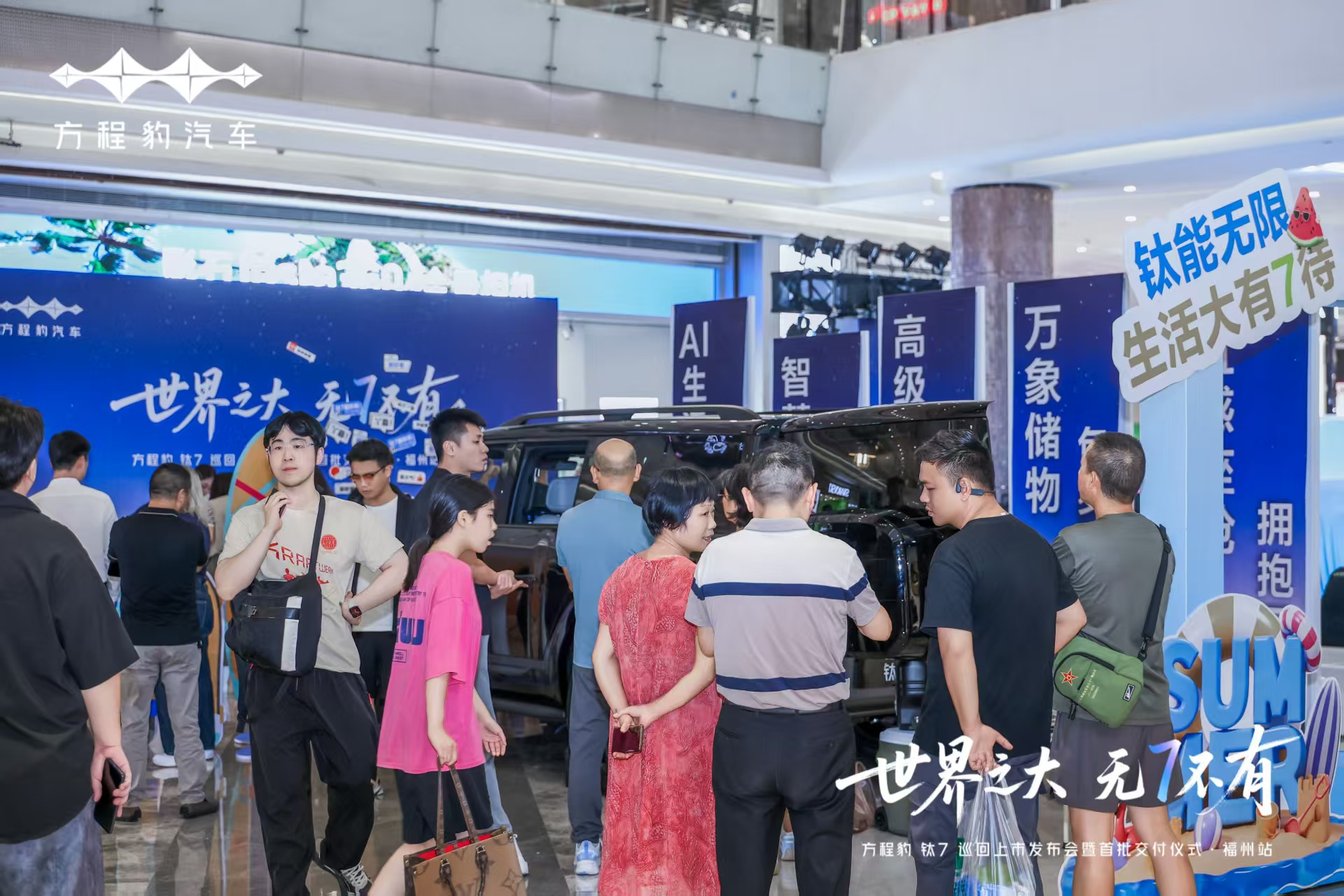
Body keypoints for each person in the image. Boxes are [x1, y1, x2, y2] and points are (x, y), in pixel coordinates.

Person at [686, 442, 892, 896]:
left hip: (742, 735)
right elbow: (879, 629)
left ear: (749, 497)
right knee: (824, 873)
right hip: (818, 737)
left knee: (742, 877)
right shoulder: (838, 556)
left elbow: (707, 643)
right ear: (811, 495)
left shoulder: (715, 556)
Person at [216, 411, 408, 896]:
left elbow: (398, 563)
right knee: (280, 796)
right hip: (271, 673)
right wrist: (268, 528)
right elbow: (227, 586)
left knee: (357, 770)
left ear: (318, 454)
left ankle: (341, 856)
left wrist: (359, 602)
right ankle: (289, 888)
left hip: (335, 668)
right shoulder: (249, 518)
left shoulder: (349, 516)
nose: (288, 455)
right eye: (278, 446)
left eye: (299, 445)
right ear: (268, 456)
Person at [908, 430, 1086, 896]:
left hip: (955, 740)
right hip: (1023, 735)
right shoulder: (1037, 545)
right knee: (1015, 858)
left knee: (936, 857)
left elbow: (955, 648)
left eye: (930, 487)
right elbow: (1074, 617)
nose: (923, 498)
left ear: (964, 486)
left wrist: (972, 727)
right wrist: (1025, 655)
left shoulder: (954, 554)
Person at [0, 398, 136, 895]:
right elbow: (95, 663)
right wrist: (109, 745)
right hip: (46, 784)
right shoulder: (54, 546)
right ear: (29, 468)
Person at [1053, 433, 1194, 896]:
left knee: (1093, 845)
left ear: (1092, 480)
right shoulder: (1161, 541)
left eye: (1082, 466)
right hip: (1152, 706)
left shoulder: (1072, 542)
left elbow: (1048, 617)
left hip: (1093, 709)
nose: (1079, 473)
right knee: (1159, 832)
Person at [368, 474, 508, 896]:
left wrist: (480, 715)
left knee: (423, 844)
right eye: (488, 516)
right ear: (463, 518)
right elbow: (442, 662)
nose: (494, 526)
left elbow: (446, 661)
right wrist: (438, 728)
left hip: (416, 727)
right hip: (442, 735)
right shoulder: (453, 574)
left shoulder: (424, 565)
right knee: (466, 841)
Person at [591, 467, 721, 895]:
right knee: (685, 836)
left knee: (634, 832)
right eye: (705, 514)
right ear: (671, 519)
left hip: (632, 732)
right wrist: (650, 711)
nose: (713, 523)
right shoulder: (695, 578)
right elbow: (707, 665)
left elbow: (601, 656)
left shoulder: (621, 575)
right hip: (687, 732)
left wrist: (624, 712)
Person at [411, 407, 527, 872]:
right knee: (471, 737)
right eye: (477, 440)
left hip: (460, 639)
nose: (484, 448)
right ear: (450, 447)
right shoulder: (440, 515)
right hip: (453, 644)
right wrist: (493, 576)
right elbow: (439, 663)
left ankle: (489, 835)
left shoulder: (442, 501)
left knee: (476, 727)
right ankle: (493, 840)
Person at [555, 438, 653, 877]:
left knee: (585, 748)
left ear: (594, 473)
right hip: (637, 659)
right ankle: (638, 840)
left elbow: (572, 582)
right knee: (639, 748)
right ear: (637, 472)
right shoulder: (649, 523)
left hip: (586, 656)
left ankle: (586, 845)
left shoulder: (569, 520)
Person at [110, 463, 217, 821]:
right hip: (181, 640)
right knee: (185, 720)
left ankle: (125, 802)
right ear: (182, 495)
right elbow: (199, 566)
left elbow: (115, 570)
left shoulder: (123, 528)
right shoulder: (193, 532)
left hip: (135, 641)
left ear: (151, 491)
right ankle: (192, 797)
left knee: (132, 721)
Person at [347, 438, 417, 796]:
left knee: (398, 706)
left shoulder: (413, 511)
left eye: (369, 475)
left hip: (398, 627)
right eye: (356, 477)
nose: (362, 484)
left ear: (388, 470)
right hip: (355, 626)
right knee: (357, 707)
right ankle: (367, 777)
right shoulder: (346, 512)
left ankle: (407, 776)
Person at [28, 429, 118, 588]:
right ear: (82, 461)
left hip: (46, 591)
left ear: (51, 463)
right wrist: (111, 594)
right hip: (93, 590)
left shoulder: (32, 504)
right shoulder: (101, 501)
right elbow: (112, 556)